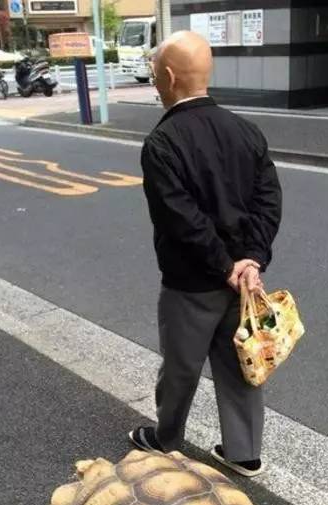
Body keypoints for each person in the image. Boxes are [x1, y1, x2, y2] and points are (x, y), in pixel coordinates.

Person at [129, 31, 282, 477]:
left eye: (156, 75)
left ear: (169, 77)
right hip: (245, 284)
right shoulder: (245, 130)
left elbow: (181, 218)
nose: (156, 83)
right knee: (242, 364)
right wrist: (250, 260)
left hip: (192, 282)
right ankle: (244, 452)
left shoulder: (163, 142)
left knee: (181, 365)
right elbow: (268, 200)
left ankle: (167, 440)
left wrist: (223, 264)